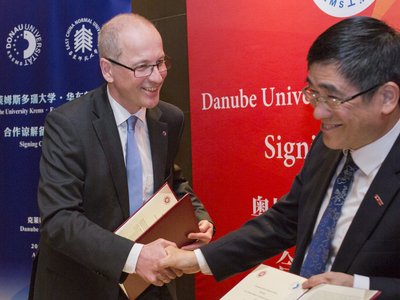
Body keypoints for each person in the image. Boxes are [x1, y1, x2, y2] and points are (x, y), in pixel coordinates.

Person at [160, 16, 400, 300]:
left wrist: (362, 286)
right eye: (314, 93)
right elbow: (286, 220)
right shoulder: (328, 146)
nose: (318, 113)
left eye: (333, 99)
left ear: (386, 98)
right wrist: (198, 260)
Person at [29, 13, 214, 300]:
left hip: (149, 284)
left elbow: (175, 181)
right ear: (107, 69)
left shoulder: (170, 118)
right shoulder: (69, 125)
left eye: (160, 62)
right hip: (83, 286)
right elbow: (59, 218)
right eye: (142, 67)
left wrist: (199, 219)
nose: (157, 76)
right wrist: (136, 256)